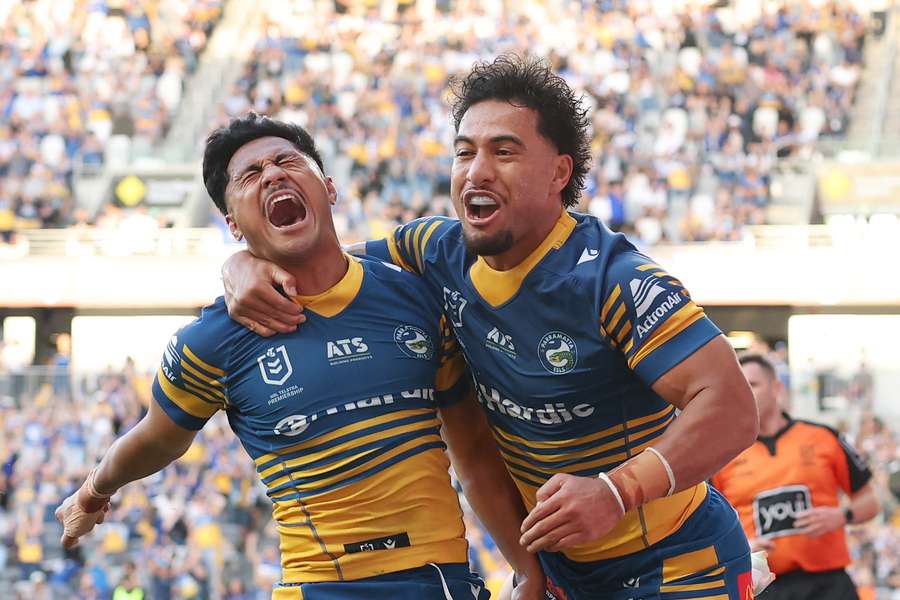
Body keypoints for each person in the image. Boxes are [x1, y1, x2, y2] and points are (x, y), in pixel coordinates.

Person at [223, 55, 760, 600]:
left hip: (680, 561)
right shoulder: (436, 250)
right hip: (565, 574)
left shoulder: (613, 280)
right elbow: (323, 264)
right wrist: (243, 263)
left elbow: (734, 408)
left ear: (559, 173)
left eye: (503, 152)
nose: (476, 172)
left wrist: (617, 491)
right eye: (464, 152)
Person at [55, 114, 545, 600]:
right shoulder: (213, 341)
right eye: (250, 175)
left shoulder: (415, 296)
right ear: (233, 225)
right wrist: (94, 490)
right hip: (319, 587)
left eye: (287, 161)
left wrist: (526, 570)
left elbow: (473, 454)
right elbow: (155, 438)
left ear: (329, 188)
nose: (272, 174)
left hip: (440, 581)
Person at [711, 353, 881, 600]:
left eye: (753, 384)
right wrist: (741, 546)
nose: (745, 392)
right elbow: (707, 527)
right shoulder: (723, 454)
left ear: (776, 387)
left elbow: (870, 502)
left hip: (828, 586)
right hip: (762, 587)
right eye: (738, 386)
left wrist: (841, 515)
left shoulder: (823, 437)